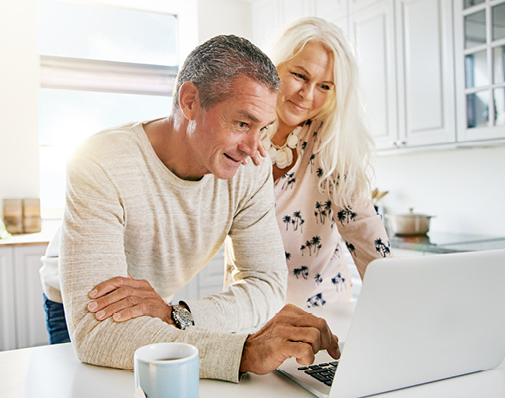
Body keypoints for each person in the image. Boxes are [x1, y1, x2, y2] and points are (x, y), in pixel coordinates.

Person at [52, 34, 340, 383]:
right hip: (77, 306)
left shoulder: (250, 169)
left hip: (162, 306)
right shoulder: (101, 161)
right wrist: (245, 353)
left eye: (263, 128)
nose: (254, 149)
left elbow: (266, 284)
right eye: (242, 123)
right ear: (190, 101)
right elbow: (98, 336)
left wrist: (176, 315)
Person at [237, 17, 392, 308]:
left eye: (324, 86)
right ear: (274, 66)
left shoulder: (329, 140)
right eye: (299, 76)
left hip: (323, 312)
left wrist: (397, 297)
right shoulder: (239, 135)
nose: (307, 95)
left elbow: (361, 225)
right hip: (250, 309)